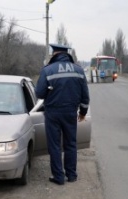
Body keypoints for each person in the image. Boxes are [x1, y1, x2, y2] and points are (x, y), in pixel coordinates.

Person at [35, 43, 90, 185]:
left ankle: (58, 177)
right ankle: (71, 175)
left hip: (53, 112)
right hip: (71, 112)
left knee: (54, 145)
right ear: (67, 54)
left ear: (54, 54)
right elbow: (85, 96)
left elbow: (39, 93)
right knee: (71, 143)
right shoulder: (78, 70)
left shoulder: (48, 70)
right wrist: (83, 112)